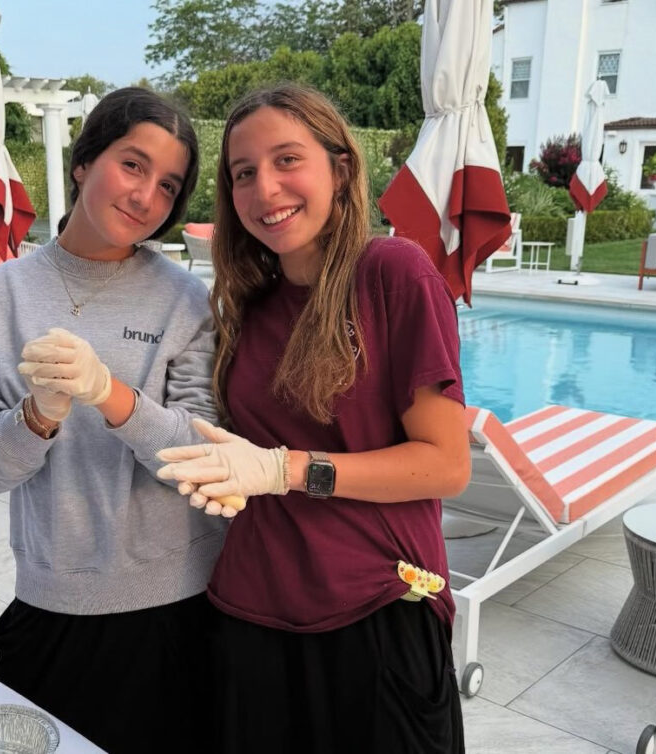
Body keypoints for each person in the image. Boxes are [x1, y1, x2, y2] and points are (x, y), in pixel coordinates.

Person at [156, 84, 470, 753]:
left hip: (376, 606)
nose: (265, 189)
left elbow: (446, 464)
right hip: (250, 607)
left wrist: (285, 469)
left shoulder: (392, 273)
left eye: (287, 160)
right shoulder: (247, 307)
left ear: (341, 168)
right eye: (243, 173)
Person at [0, 87, 225, 754]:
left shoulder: (186, 300)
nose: (146, 197)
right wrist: (36, 417)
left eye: (168, 186)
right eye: (132, 165)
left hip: (179, 603)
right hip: (52, 600)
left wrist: (111, 395)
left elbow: (203, 455)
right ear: (83, 162)